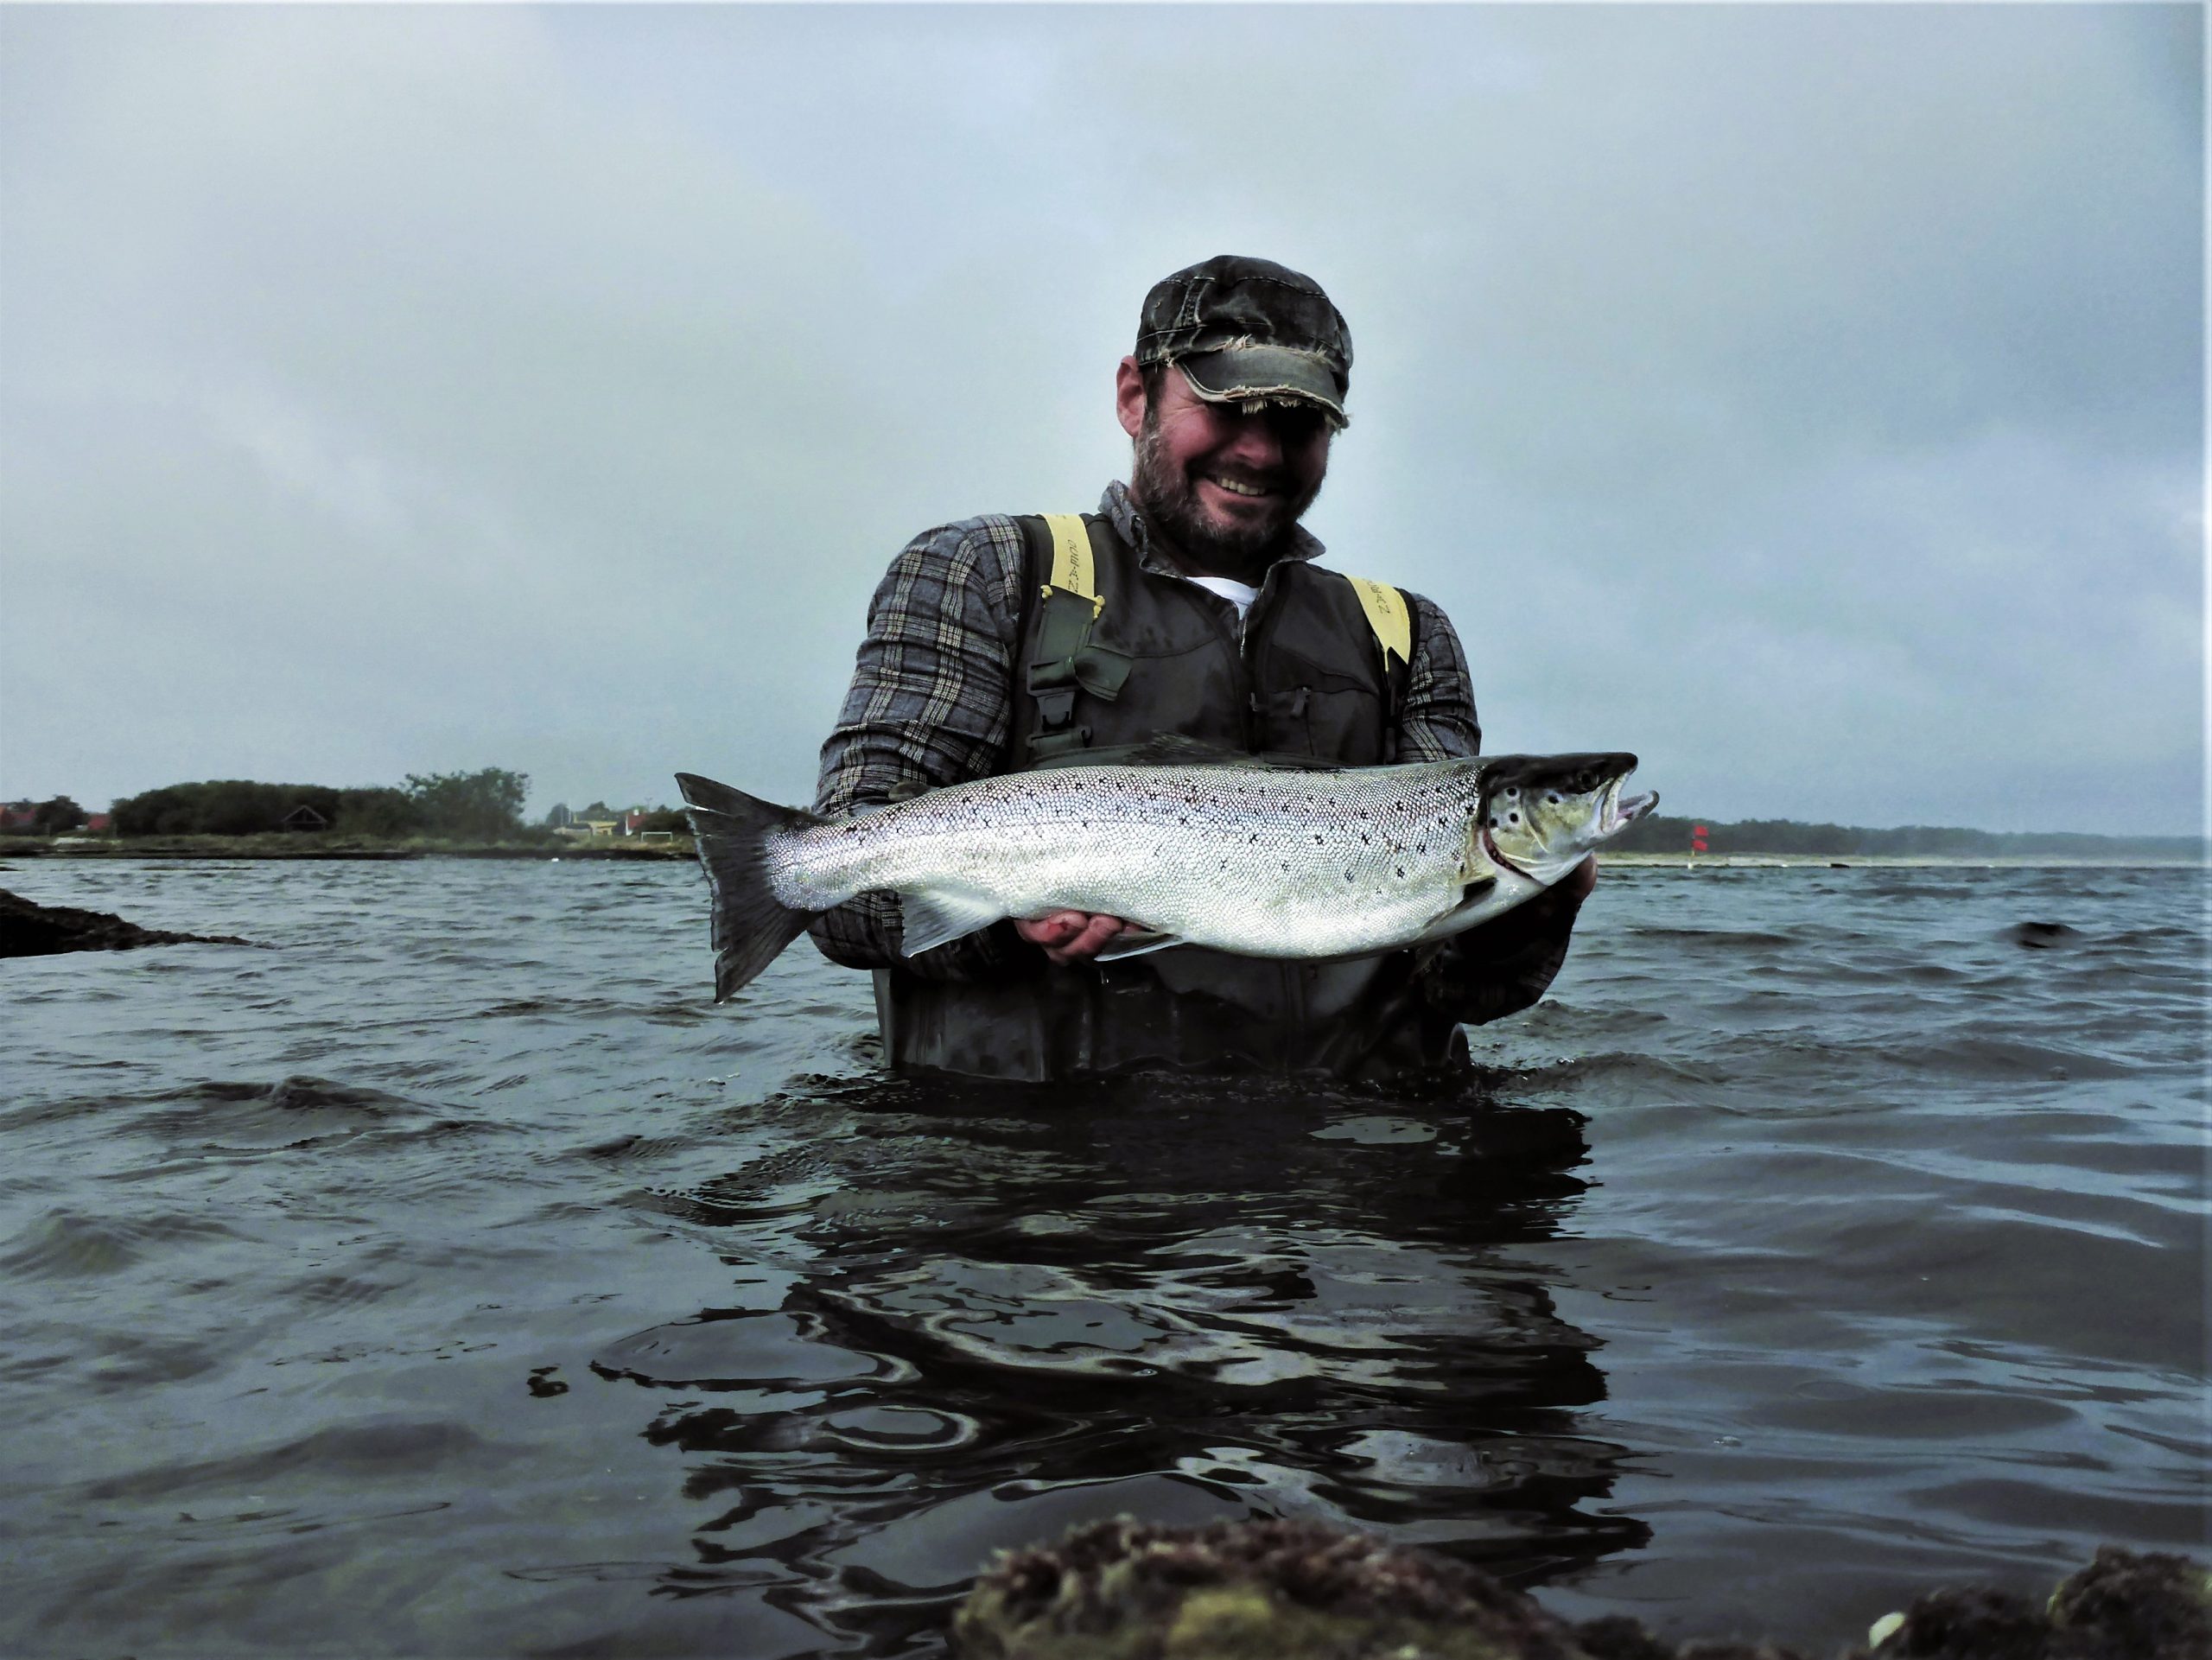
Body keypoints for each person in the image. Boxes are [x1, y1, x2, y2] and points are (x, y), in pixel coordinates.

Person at [810, 254, 1596, 1082]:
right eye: (1227, 406)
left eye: (1298, 419)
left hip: (1346, 1180)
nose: (1259, 449)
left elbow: (1461, 985)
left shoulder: (1406, 631)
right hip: (1046, 1182)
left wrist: (1528, 910)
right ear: (1133, 396)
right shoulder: (984, 569)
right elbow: (838, 891)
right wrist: (1002, 915)